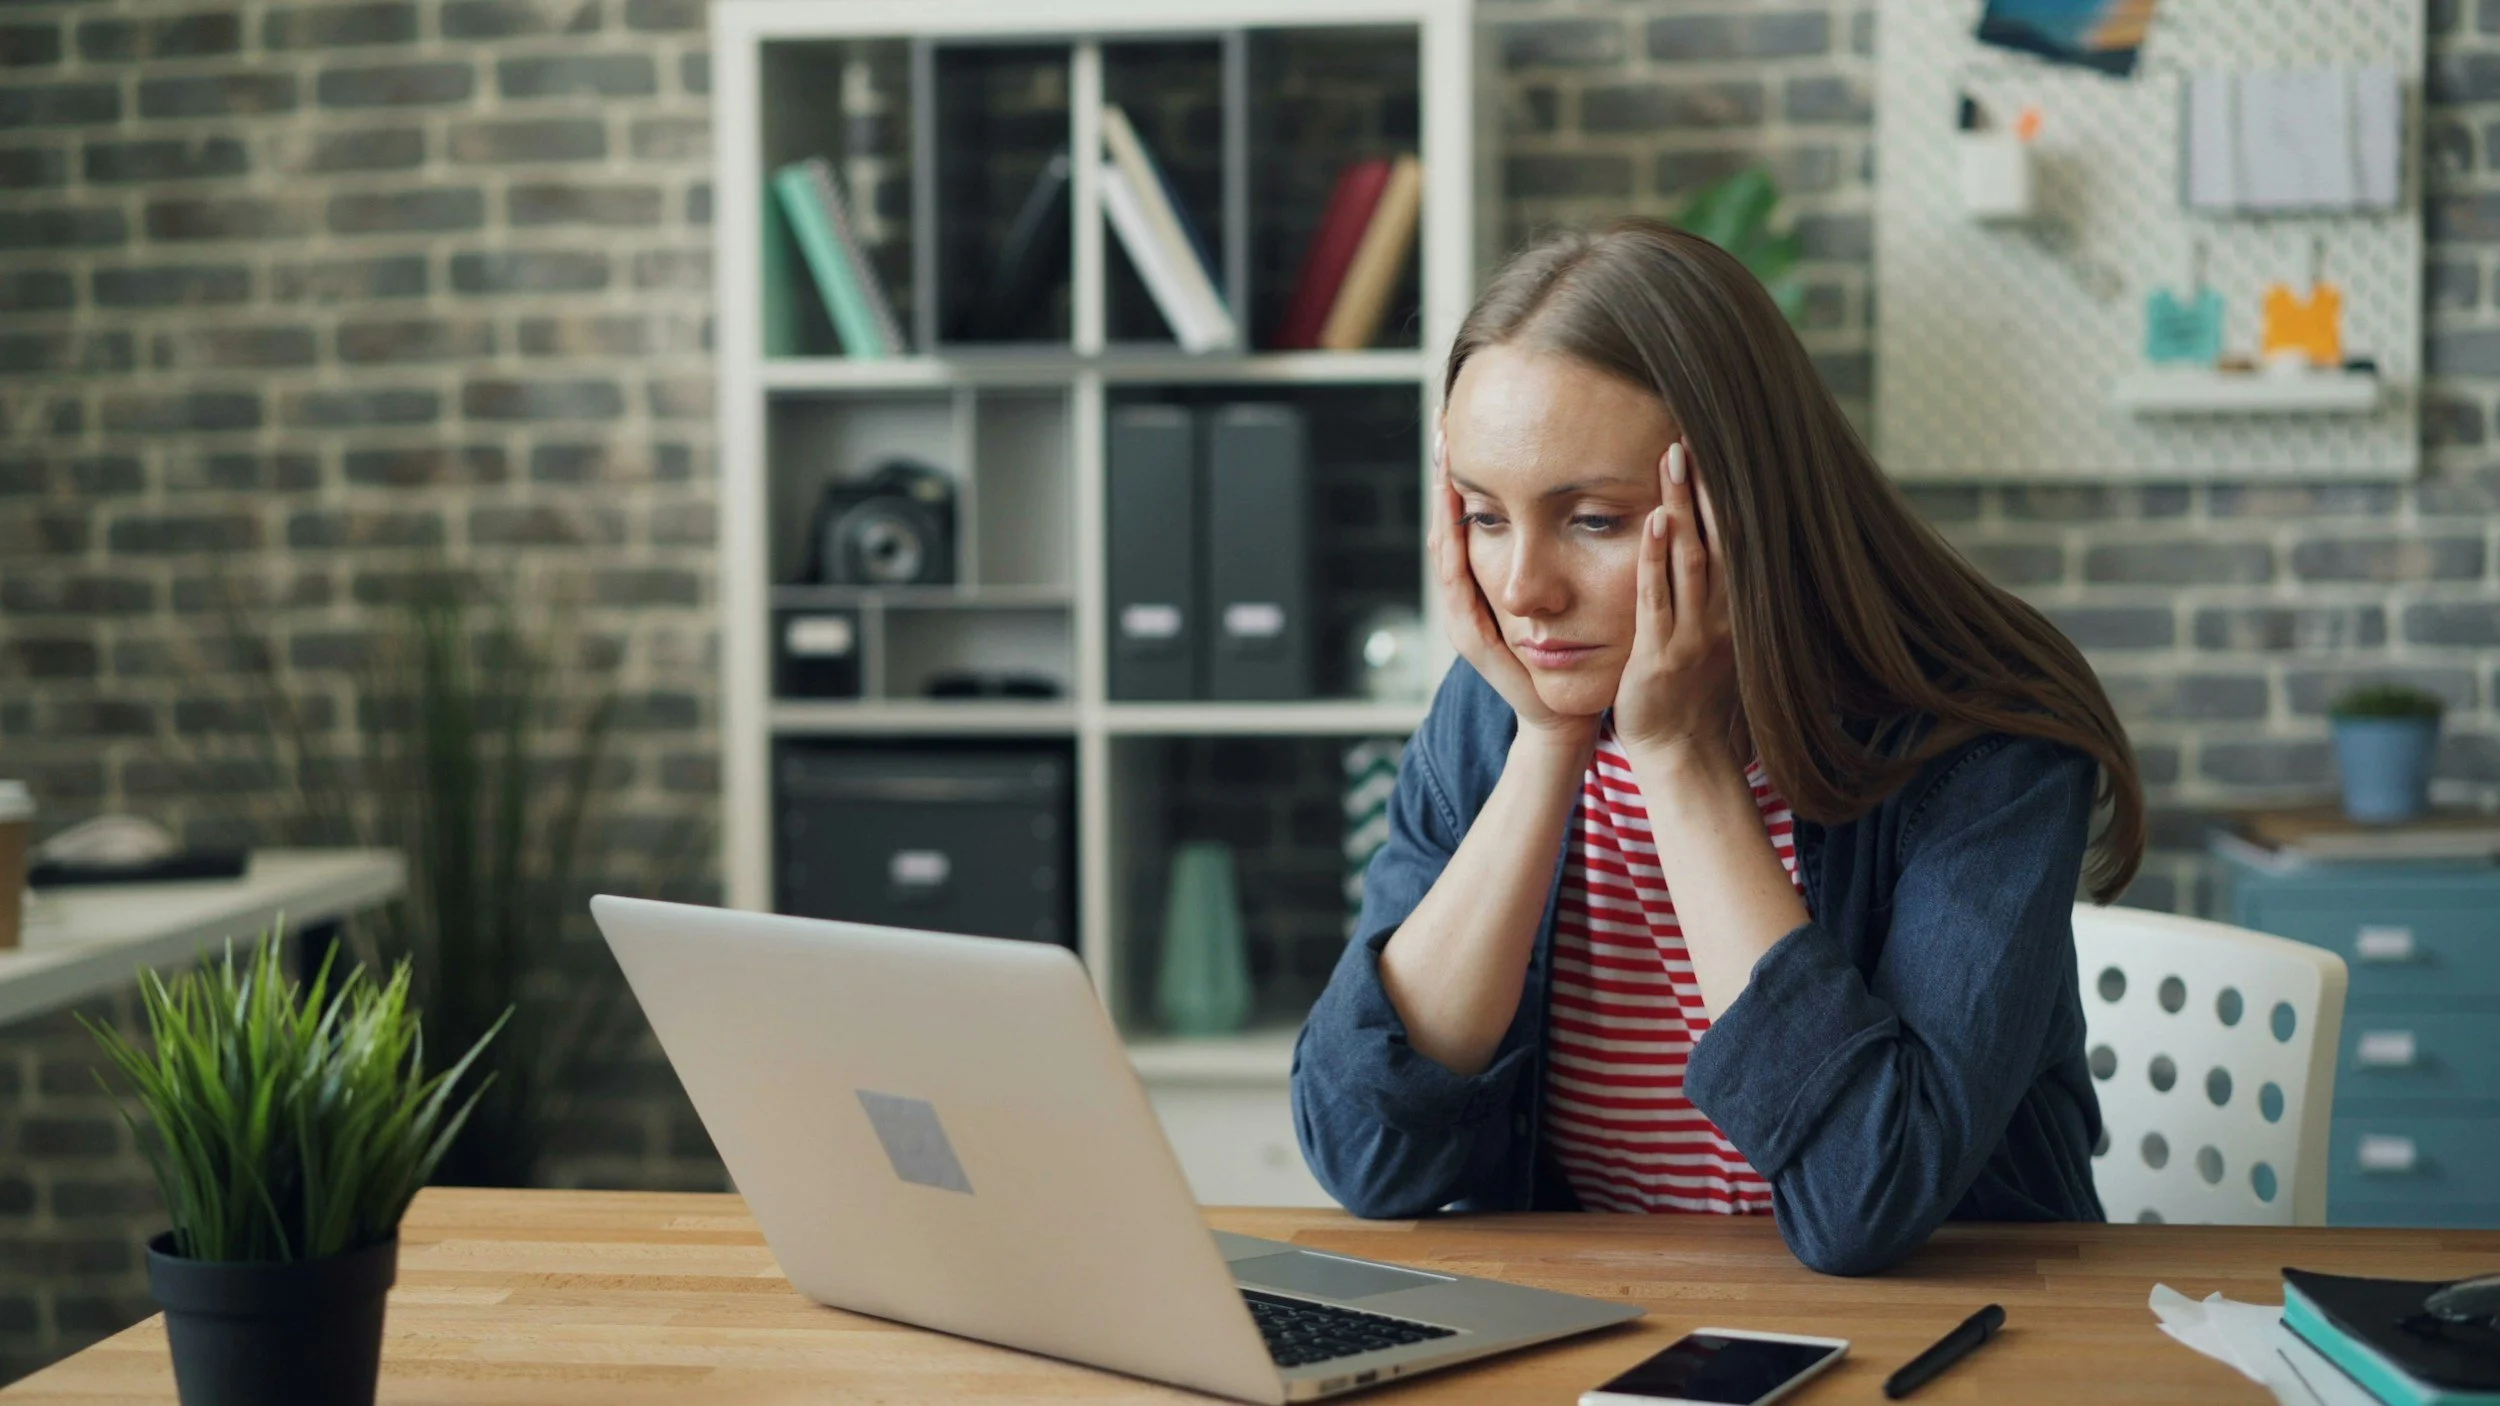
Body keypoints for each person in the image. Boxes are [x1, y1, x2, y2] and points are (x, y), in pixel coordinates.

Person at [1291, 220, 2146, 1276]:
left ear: (1746, 501)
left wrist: (1682, 756)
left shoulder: (1980, 742)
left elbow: (1861, 1199)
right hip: (1605, 1330)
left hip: (1943, 1346)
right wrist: (1547, 742)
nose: (1521, 592)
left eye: (1593, 520)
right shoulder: (1499, 712)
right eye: (1483, 515)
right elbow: (1364, 1152)